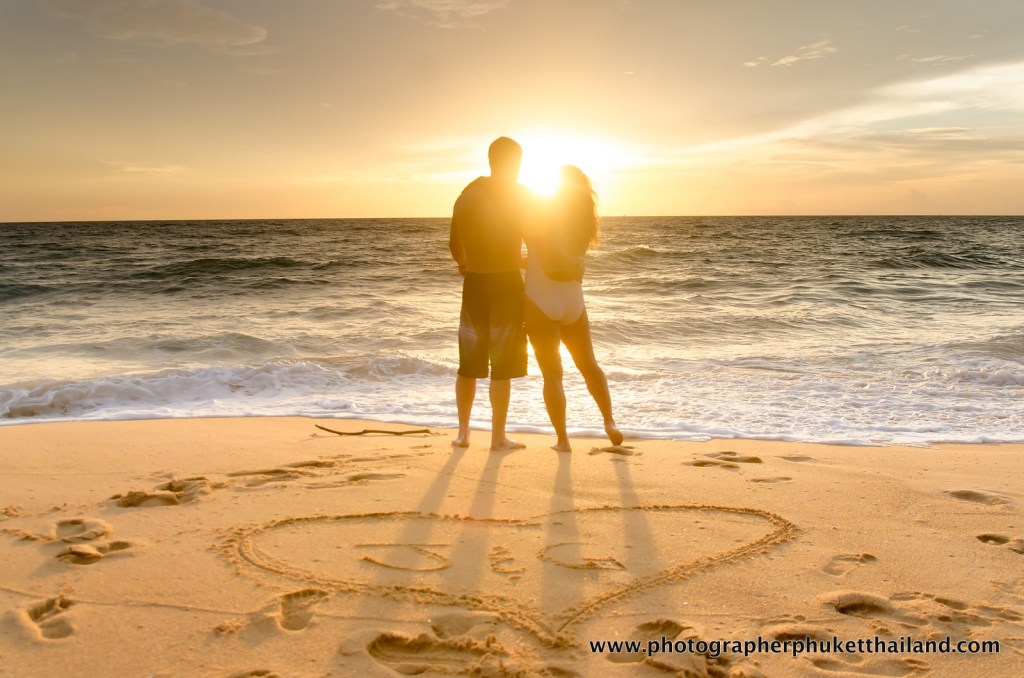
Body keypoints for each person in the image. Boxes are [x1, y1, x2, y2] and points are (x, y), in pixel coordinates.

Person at [524, 165, 622, 452]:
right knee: (589, 364)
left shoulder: (540, 214)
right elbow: (566, 259)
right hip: (573, 300)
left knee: (552, 374)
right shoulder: (585, 222)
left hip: (540, 299)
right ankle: (609, 422)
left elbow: (538, 253)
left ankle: (563, 441)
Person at [449, 137, 531, 451]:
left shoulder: (466, 196)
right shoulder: (521, 196)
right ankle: (498, 437)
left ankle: (463, 433)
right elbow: (536, 240)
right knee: (503, 363)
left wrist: (467, 264)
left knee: (468, 362)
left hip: (475, 285)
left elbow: (455, 246)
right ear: (513, 162)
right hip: (507, 285)